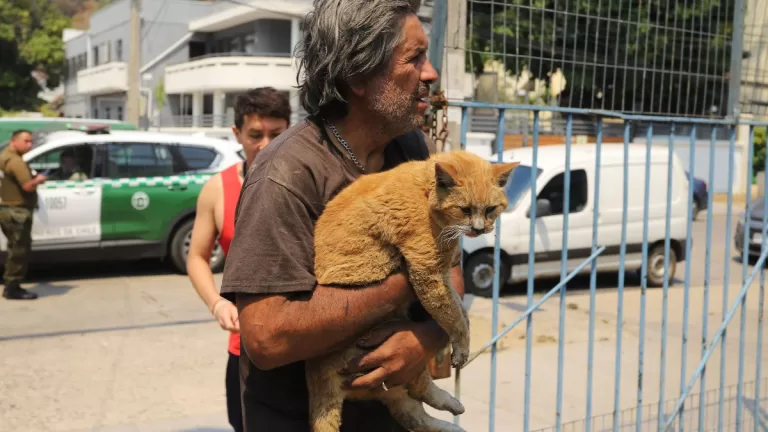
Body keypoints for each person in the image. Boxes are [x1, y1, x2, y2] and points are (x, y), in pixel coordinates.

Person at [219, 1, 465, 430]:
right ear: (357, 75)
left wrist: (424, 338)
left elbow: (452, 270)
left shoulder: (412, 149)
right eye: (414, 58)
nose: (430, 74)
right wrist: (410, 278)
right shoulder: (285, 174)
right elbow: (266, 337)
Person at [187, 87, 292, 432]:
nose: (265, 144)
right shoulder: (218, 189)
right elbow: (198, 257)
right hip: (245, 344)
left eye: (276, 135)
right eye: (255, 135)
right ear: (237, 134)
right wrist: (216, 303)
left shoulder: (305, 182)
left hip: (305, 339)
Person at [0, 130, 47, 300]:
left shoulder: (4, 156)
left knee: (15, 248)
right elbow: (27, 186)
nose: (30, 145)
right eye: (26, 141)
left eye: (31, 141)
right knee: (19, 249)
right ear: (14, 141)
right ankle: (12, 287)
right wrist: (39, 179)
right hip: (17, 211)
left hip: (8, 209)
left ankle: (11, 285)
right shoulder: (15, 161)